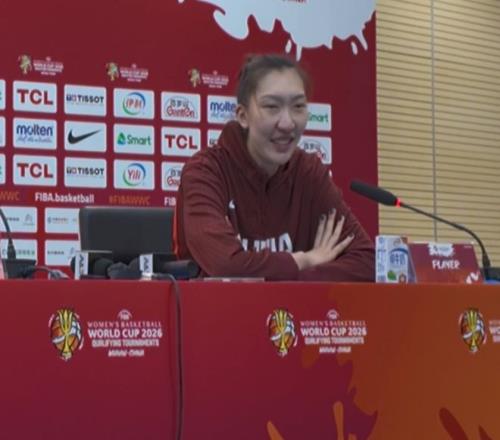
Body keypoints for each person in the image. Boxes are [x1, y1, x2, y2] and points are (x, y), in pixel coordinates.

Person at [174, 54, 374, 281]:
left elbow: (367, 262)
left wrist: (290, 275)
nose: (287, 123)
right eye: (272, 107)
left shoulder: (309, 173)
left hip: (294, 305)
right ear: (243, 116)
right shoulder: (206, 172)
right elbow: (226, 265)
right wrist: (303, 260)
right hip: (215, 305)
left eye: (298, 106)